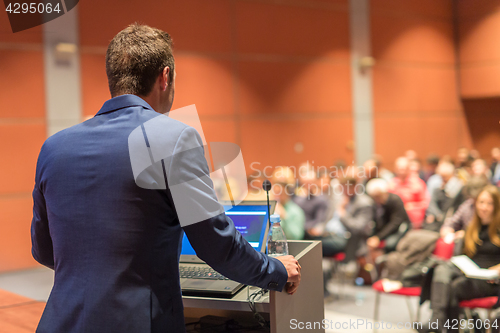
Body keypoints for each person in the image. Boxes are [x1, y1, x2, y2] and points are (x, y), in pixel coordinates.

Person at [30, 24, 300, 333]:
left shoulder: (53, 147)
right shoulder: (173, 137)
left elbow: (43, 250)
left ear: (113, 80)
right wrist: (276, 270)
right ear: (165, 76)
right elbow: (215, 244)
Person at [421, 185, 500, 333]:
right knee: (441, 268)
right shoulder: (472, 227)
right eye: (481, 202)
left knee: (454, 287)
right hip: (472, 272)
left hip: (491, 279)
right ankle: (440, 321)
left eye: (489, 203)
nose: (484, 207)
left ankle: (442, 324)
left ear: (496, 206)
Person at [366, 178, 411, 253]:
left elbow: (395, 223)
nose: (376, 199)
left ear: (384, 192)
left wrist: (378, 237)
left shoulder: (395, 200)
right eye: (374, 197)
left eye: (378, 196)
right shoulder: (375, 204)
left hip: (399, 229)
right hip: (385, 230)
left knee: (390, 244)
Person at [388, 157, 430, 229]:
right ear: (395, 169)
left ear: (409, 169)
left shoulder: (418, 183)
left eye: (404, 169)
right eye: (399, 169)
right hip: (396, 221)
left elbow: (426, 202)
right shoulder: (391, 184)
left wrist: (412, 206)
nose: (402, 171)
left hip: (414, 221)